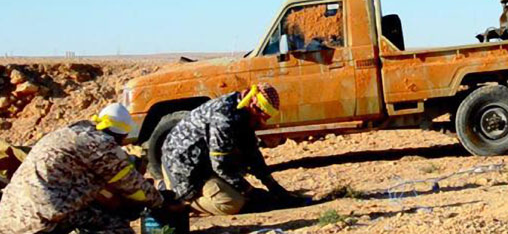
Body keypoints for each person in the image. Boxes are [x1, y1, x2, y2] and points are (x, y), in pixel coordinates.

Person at [0, 103, 171, 234]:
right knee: (117, 227)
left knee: (94, 210)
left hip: (10, 216)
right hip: (39, 222)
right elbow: (131, 185)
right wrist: (161, 201)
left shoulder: (67, 134)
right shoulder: (99, 144)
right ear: (122, 134)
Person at [161, 83, 297, 216]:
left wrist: (274, 186)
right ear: (251, 103)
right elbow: (220, 166)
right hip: (183, 171)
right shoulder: (224, 118)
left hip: (203, 165)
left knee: (241, 184)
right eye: (260, 113)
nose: (262, 120)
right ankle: (179, 199)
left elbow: (251, 153)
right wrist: (249, 191)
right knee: (232, 203)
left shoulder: (242, 112)